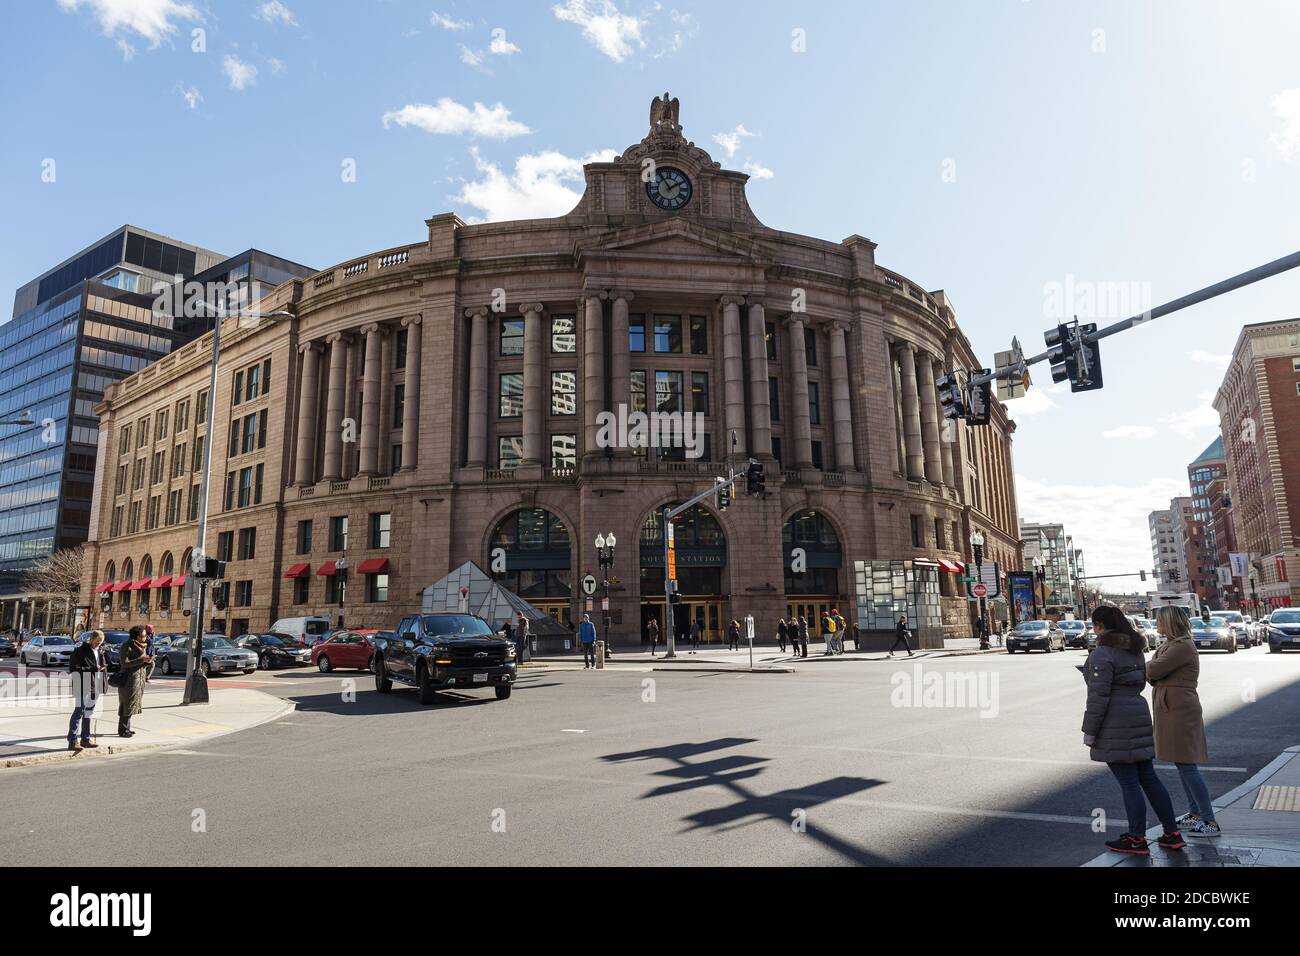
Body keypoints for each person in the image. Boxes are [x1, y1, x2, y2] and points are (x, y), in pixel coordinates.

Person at [1084, 605, 1185, 856]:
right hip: (1138, 713)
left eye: (1094, 625)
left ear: (1099, 626)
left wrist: (1090, 731)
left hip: (1114, 721)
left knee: (1129, 783)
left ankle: (1137, 838)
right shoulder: (1135, 650)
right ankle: (1172, 833)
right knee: (1149, 777)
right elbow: (1139, 681)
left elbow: (1098, 697)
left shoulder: (1102, 654)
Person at [1148, 606, 1219, 837]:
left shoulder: (1181, 646)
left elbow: (1153, 669)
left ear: (1170, 623)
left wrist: (1150, 670)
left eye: (1159, 620)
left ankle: (1208, 819)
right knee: (1182, 763)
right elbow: (1152, 669)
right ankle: (1196, 813)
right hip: (1173, 706)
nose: (1156, 624)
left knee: (1187, 764)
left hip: (1179, 708)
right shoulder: (1170, 644)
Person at [67, 630, 106, 752]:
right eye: (96, 642)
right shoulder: (80, 651)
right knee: (79, 711)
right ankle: (72, 740)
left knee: (88, 712)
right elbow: (74, 668)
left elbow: (101, 665)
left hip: (95, 684)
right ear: (91, 639)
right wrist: (93, 668)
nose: (98, 644)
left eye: (100, 643)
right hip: (82, 683)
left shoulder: (100, 651)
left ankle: (85, 738)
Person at [116, 625, 153, 738]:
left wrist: (147, 662)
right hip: (128, 680)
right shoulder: (127, 646)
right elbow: (125, 663)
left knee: (132, 705)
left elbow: (139, 663)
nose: (145, 638)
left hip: (138, 679)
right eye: (143, 636)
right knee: (126, 704)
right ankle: (122, 730)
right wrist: (142, 660)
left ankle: (127, 728)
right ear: (137, 636)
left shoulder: (142, 646)